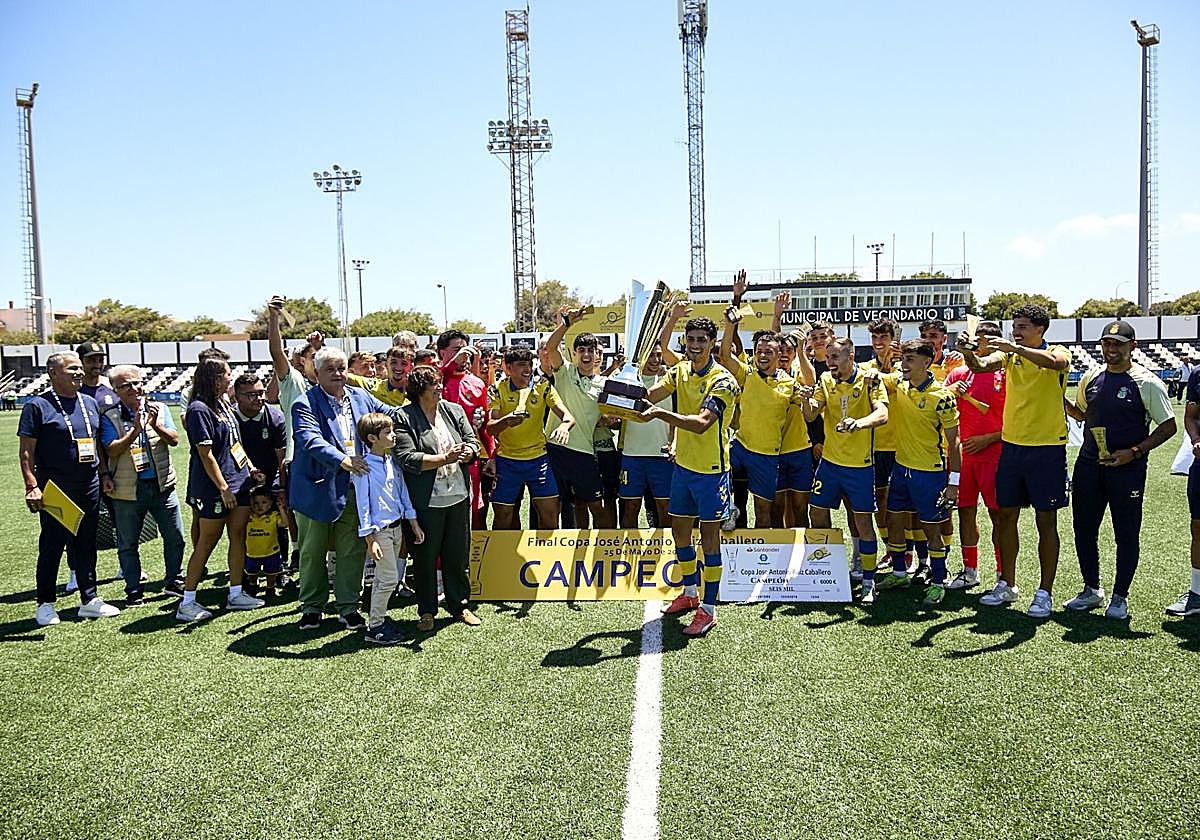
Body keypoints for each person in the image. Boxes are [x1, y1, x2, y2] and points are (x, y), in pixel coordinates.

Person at [960, 304, 1070, 618]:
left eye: (1022, 326)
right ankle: (1007, 583)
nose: (1016, 331)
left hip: (1047, 448)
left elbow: (1056, 362)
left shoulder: (1058, 351)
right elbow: (982, 366)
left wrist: (1015, 348)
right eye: (1014, 326)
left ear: (1041, 329)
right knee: (1005, 515)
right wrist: (969, 353)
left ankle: (1044, 593)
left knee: (1045, 521)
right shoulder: (1009, 355)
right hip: (1012, 448)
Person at [1062, 321, 1176, 619]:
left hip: (1128, 469)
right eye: (1107, 343)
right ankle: (1091, 589)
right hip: (1089, 464)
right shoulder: (1092, 375)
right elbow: (1082, 414)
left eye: (1118, 344)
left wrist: (1135, 451)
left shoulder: (1146, 382)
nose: (1111, 349)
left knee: (1126, 534)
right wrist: (1056, 399)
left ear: (1132, 346)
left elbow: (1169, 426)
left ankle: (1120, 597)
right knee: (1083, 529)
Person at [291, 346, 403, 631]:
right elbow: (309, 439)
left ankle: (348, 607)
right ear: (316, 373)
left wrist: (422, 410)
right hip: (317, 490)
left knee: (352, 550)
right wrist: (343, 460)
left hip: (356, 488)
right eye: (330, 369)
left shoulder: (360, 396)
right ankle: (312, 608)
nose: (338, 374)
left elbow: (390, 413)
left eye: (341, 368)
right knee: (312, 552)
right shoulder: (304, 403)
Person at [641, 316, 740, 636]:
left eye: (702, 340)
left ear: (712, 343)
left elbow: (701, 423)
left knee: (709, 541)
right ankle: (688, 593)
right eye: (691, 339)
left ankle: (708, 610)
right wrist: (617, 396)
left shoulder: (723, 381)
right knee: (680, 533)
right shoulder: (680, 369)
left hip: (712, 472)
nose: (695, 345)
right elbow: (650, 395)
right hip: (683, 467)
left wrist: (658, 414)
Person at [19, 351, 121, 625]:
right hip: (55, 487)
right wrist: (31, 485)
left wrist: (103, 474)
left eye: (79, 368)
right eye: (71, 369)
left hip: (88, 484)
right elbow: (27, 452)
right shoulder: (37, 407)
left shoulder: (88, 402)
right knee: (52, 544)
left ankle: (89, 599)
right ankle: (46, 603)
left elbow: (95, 443)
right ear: (53, 373)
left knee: (86, 544)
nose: (78, 373)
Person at [177, 357, 267, 621]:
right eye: (227, 374)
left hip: (238, 482)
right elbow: (206, 455)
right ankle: (188, 601)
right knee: (206, 543)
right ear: (215, 378)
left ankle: (235, 594)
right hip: (214, 488)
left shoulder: (224, 405)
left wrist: (249, 468)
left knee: (238, 536)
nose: (230, 378)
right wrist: (223, 488)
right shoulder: (198, 409)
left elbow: (234, 444)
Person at [873, 340, 961, 606]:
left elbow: (954, 442)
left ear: (927, 361)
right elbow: (879, 376)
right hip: (901, 469)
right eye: (903, 359)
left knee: (932, 528)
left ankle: (938, 581)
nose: (904, 365)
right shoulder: (900, 384)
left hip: (930, 473)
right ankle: (900, 573)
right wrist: (871, 374)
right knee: (895, 521)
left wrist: (953, 482)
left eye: (910, 359)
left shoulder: (942, 396)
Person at [801, 337, 889, 603]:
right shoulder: (826, 380)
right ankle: (827, 568)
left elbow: (882, 414)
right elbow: (811, 414)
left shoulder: (869, 380)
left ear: (851, 357)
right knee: (816, 510)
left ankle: (868, 580)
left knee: (863, 521)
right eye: (828, 358)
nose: (830, 362)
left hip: (859, 467)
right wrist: (807, 400)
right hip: (830, 464)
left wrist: (859, 424)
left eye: (835, 357)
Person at [394, 365, 482, 630]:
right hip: (425, 501)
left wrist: (468, 452)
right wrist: (444, 458)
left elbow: (473, 440)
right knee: (424, 556)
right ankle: (427, 610)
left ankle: (460, 605)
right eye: (434, 384)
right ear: (420, 390)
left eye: (440, 383)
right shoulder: (403, 417)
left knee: (457, 555)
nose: (440, 387)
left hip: (457, 496)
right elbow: (407, 457)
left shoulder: (453, 410)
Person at [100, 364, 187, 605]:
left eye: (137, 383)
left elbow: (174, 439)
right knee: (128, 543)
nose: (134, 388)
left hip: (162, 484)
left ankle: (174, 580)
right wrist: (134, 431)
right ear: (116, 389)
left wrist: (154, 424)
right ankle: (134, 589)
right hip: (127, 489)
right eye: (126, 385)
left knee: (175, 536)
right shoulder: (109, 416)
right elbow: (111, 449)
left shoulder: (158, 408)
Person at [716, 302, 804, 527]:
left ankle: (761, 556)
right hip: (742, 446)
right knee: (714, 463)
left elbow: (810, 414)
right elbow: (725, 357)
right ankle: (729, 507)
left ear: (778, 354)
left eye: (768, 351)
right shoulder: (747, 374)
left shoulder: (790, 384)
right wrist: (729, 326)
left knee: (763, 510)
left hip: (767, 456)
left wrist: (809, 397)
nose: (762, 355)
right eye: (759, 351)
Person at [943, 321, 1007, 589]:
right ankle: (970, 570)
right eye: (979, 338)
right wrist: (949, 393)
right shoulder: (958, 373)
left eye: (990, 339)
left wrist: (989, 439)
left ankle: (1004, 574)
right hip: (961, 457)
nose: (983, 343)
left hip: (995, 455)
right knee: (965, 512)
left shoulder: (1006, 373)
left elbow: (1018, 419)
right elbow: (939, 405)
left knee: (999, 516)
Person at [354, 411, 425, 644]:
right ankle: (375, 626)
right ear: (372, 438)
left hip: (397, 529)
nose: (394, 436)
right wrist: (370, 538)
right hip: (380, 531)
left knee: (386, 578)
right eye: (388, 432)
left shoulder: (391, 461)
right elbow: (363, 505)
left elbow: (402, 493)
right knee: (388, 579)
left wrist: (412, 523)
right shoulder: (364, 468)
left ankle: (378, 619)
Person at [543, 310, 618, 528]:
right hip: (554, 448)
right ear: (575, 353)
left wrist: (610, 419)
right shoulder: (565, 371)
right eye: (582, 350)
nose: (586, 354)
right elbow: (551, 347)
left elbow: (609, 415)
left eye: (591, 351)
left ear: (597, 355)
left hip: (584, 452)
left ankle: (604, 548)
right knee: (555, 505)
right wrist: (565, 324)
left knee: (596, 504)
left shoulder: (604, 385)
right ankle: (558, 553)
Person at [486, 346, 574, 529]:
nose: (527, 369)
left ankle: (549, 556)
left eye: (529, 364)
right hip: (507, 461)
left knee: (550, 515)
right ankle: (504, 556)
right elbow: (491, 428)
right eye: (521, 365)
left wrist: (565, 427)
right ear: (508, 368)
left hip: (538, 460)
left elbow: (568, 417)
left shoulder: (542, 385)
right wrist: (506, 422)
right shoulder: (496, 389)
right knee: (503, 516)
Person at [266, 296, 321, 570]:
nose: (318, 360)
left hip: (328, 456)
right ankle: (300, 554)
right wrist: (275, 318)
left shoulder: (329, 383)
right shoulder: (294, 381)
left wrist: (318, 349)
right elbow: (276, 353)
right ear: (300, 360)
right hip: (298, 457)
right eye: (313, 357)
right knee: (299, 513)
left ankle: (321, 562)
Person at [232, 373, 290, 584]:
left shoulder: (274, 417)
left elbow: (280, 456)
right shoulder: (230, 419)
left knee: (277, 524)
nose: (259, 398)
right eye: (251, 395)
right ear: (236, 397)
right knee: (242, 526)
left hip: (271, 476)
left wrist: (282, 487)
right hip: (239, 480)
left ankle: (280, 567)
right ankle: (246, 570)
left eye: (260, 393)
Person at [437, 329, 495, 529]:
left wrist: (492, 455)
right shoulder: (435, 378)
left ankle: (472, 557)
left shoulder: (477, 383)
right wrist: (453, 362)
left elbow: (484, 424)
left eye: (465, 349)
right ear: (442, 352)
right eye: (456, 350)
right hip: (439, 457)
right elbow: (439, 376)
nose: (464, 354)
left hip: (470, 457)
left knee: (474, 508)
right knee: (442, 512)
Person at [617, 344, 675, 528]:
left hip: (662, 455)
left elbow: (678, 415)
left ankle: (667, 552)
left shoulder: (670, 381)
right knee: (630, 506)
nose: (655, 360)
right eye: (650, 355)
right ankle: (627, 549)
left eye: (659, 355)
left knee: (665, 507)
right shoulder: (628, 379)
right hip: (632, 455)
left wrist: (674, 442)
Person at [862, 318, 901, 578]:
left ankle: (910, 551)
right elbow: (868, 382)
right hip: (875, 445)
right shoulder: (866, 366)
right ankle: (890, 547)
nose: (878, 343)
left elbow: (894, 381)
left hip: (901, 444)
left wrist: (885, 371)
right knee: (880, 500)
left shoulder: (904, 365)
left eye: (883, 338)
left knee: (902, 503)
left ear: (892, 339)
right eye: (875, 338)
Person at [1167, 365, 1200, 618]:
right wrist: (1196, 439)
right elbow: (1190, 416)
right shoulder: (1199, 373)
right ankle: (1197, 594)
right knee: (1198, 527)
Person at [244, 487, 285, 597]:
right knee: (252, 572)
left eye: (264, 502)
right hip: (252, 552)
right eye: (255, 503)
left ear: (271, 503)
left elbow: (284, 524)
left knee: (271, 572)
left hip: (271, 551)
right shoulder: (248, 517)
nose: (259, 506)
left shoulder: (273, 516)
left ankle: (270, 588)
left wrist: (281, 509)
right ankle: (252, 586)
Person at [348, 344, 413, 407]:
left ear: (410, 367)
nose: (398, 367)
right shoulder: (373, 386)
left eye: (404, 363)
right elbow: (343, 375)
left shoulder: (418, 391)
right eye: (393, 362)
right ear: (386, 364)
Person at [75, 341, 120, 411]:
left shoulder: (111, 384)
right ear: (80, 362)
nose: (97, 365)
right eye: (91, 360)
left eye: (101, 360)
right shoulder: (74, 388)